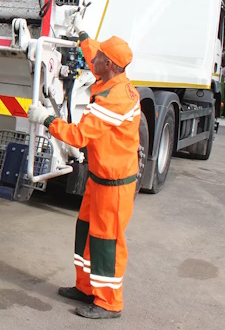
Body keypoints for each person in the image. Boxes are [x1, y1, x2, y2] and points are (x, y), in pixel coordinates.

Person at [28, 29, 141, 320]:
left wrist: (47, 119)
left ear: (111, 65)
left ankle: (109, 302)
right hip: (100, 178)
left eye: (100, 57)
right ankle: (86, 287)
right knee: (86, 233)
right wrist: (84, 40)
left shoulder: (116, 99)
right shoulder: (110, 75)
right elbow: (92, 55)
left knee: (106, 241)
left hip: (114, 185)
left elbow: (78, 136)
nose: (94, 60)